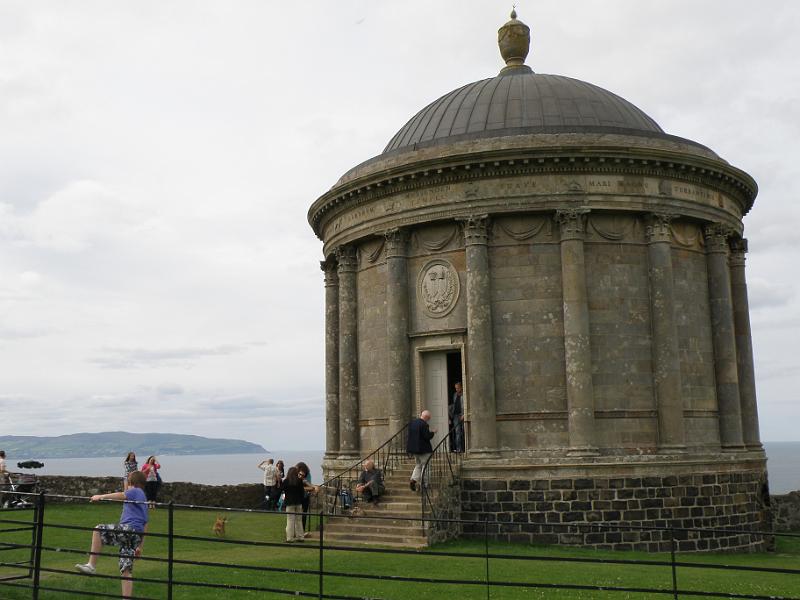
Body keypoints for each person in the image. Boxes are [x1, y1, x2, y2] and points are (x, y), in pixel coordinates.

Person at [75, 470, 149, 599]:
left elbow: (121, 495)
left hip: (128, 530)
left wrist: (101, 497)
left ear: (132, 483)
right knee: (126, 570)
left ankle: (91, 565)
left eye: (127, 482)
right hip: (135, 535)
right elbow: (145, 524)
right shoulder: (143, 499)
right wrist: (139, 546)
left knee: (98, 530)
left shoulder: (135, 491)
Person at [281, 466, 319, 542]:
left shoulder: (286, 481)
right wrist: (301, 502)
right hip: (298, 503)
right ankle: (300, 537)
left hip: (289, 503)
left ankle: (290, 538)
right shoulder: (299, 481)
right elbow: (302, 493)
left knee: (290, 521)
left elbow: (283, 491)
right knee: (299, 521)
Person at [407, 410, 435, 491]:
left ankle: (413, 479)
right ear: (426, 417)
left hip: (415, 450)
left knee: (418, 465)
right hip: (424, 450)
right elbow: (427, 436)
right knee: (426, 467)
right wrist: (432, 432)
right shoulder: (424, 424)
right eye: (428, 418)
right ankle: (424, 484)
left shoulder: (412, 423)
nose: (428, 420)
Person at [295, 461, 313, 529]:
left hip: (304, 496)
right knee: (296, 514)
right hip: (297, 497)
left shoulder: (307, 474)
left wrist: (302, 486)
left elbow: (311, 487)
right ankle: (296, 530)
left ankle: (302, 529)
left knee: (303, 514)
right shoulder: (295, 473)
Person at [449, 382, 465, 453]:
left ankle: (464, 448)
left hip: (462, 415)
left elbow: (466, 405)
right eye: (456, 388)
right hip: (456, 415)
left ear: (461, 387)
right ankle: (458, 449)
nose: (457, 389)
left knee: (463, 432)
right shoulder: (455, 395)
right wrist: (450, 416)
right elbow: (453, 405)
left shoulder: (464, 394)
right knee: (457, 432)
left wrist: (464, 414)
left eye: (458, 388)